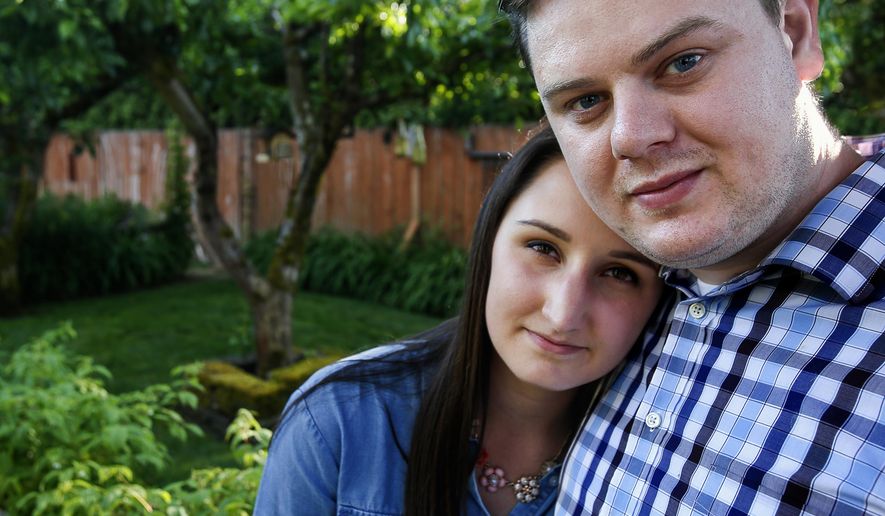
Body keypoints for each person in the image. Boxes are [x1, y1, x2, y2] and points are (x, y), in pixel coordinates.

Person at [497, 0, 885, 514]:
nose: (631, 136)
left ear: (795, 32)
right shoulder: (622, 302)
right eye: (586, 100)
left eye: (683, 62)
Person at [254, 127, 669, 515]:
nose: (563, 314)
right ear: (488, 242)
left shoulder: (660, 466)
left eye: (620, 274)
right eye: (543, 248)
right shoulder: (340, 421)